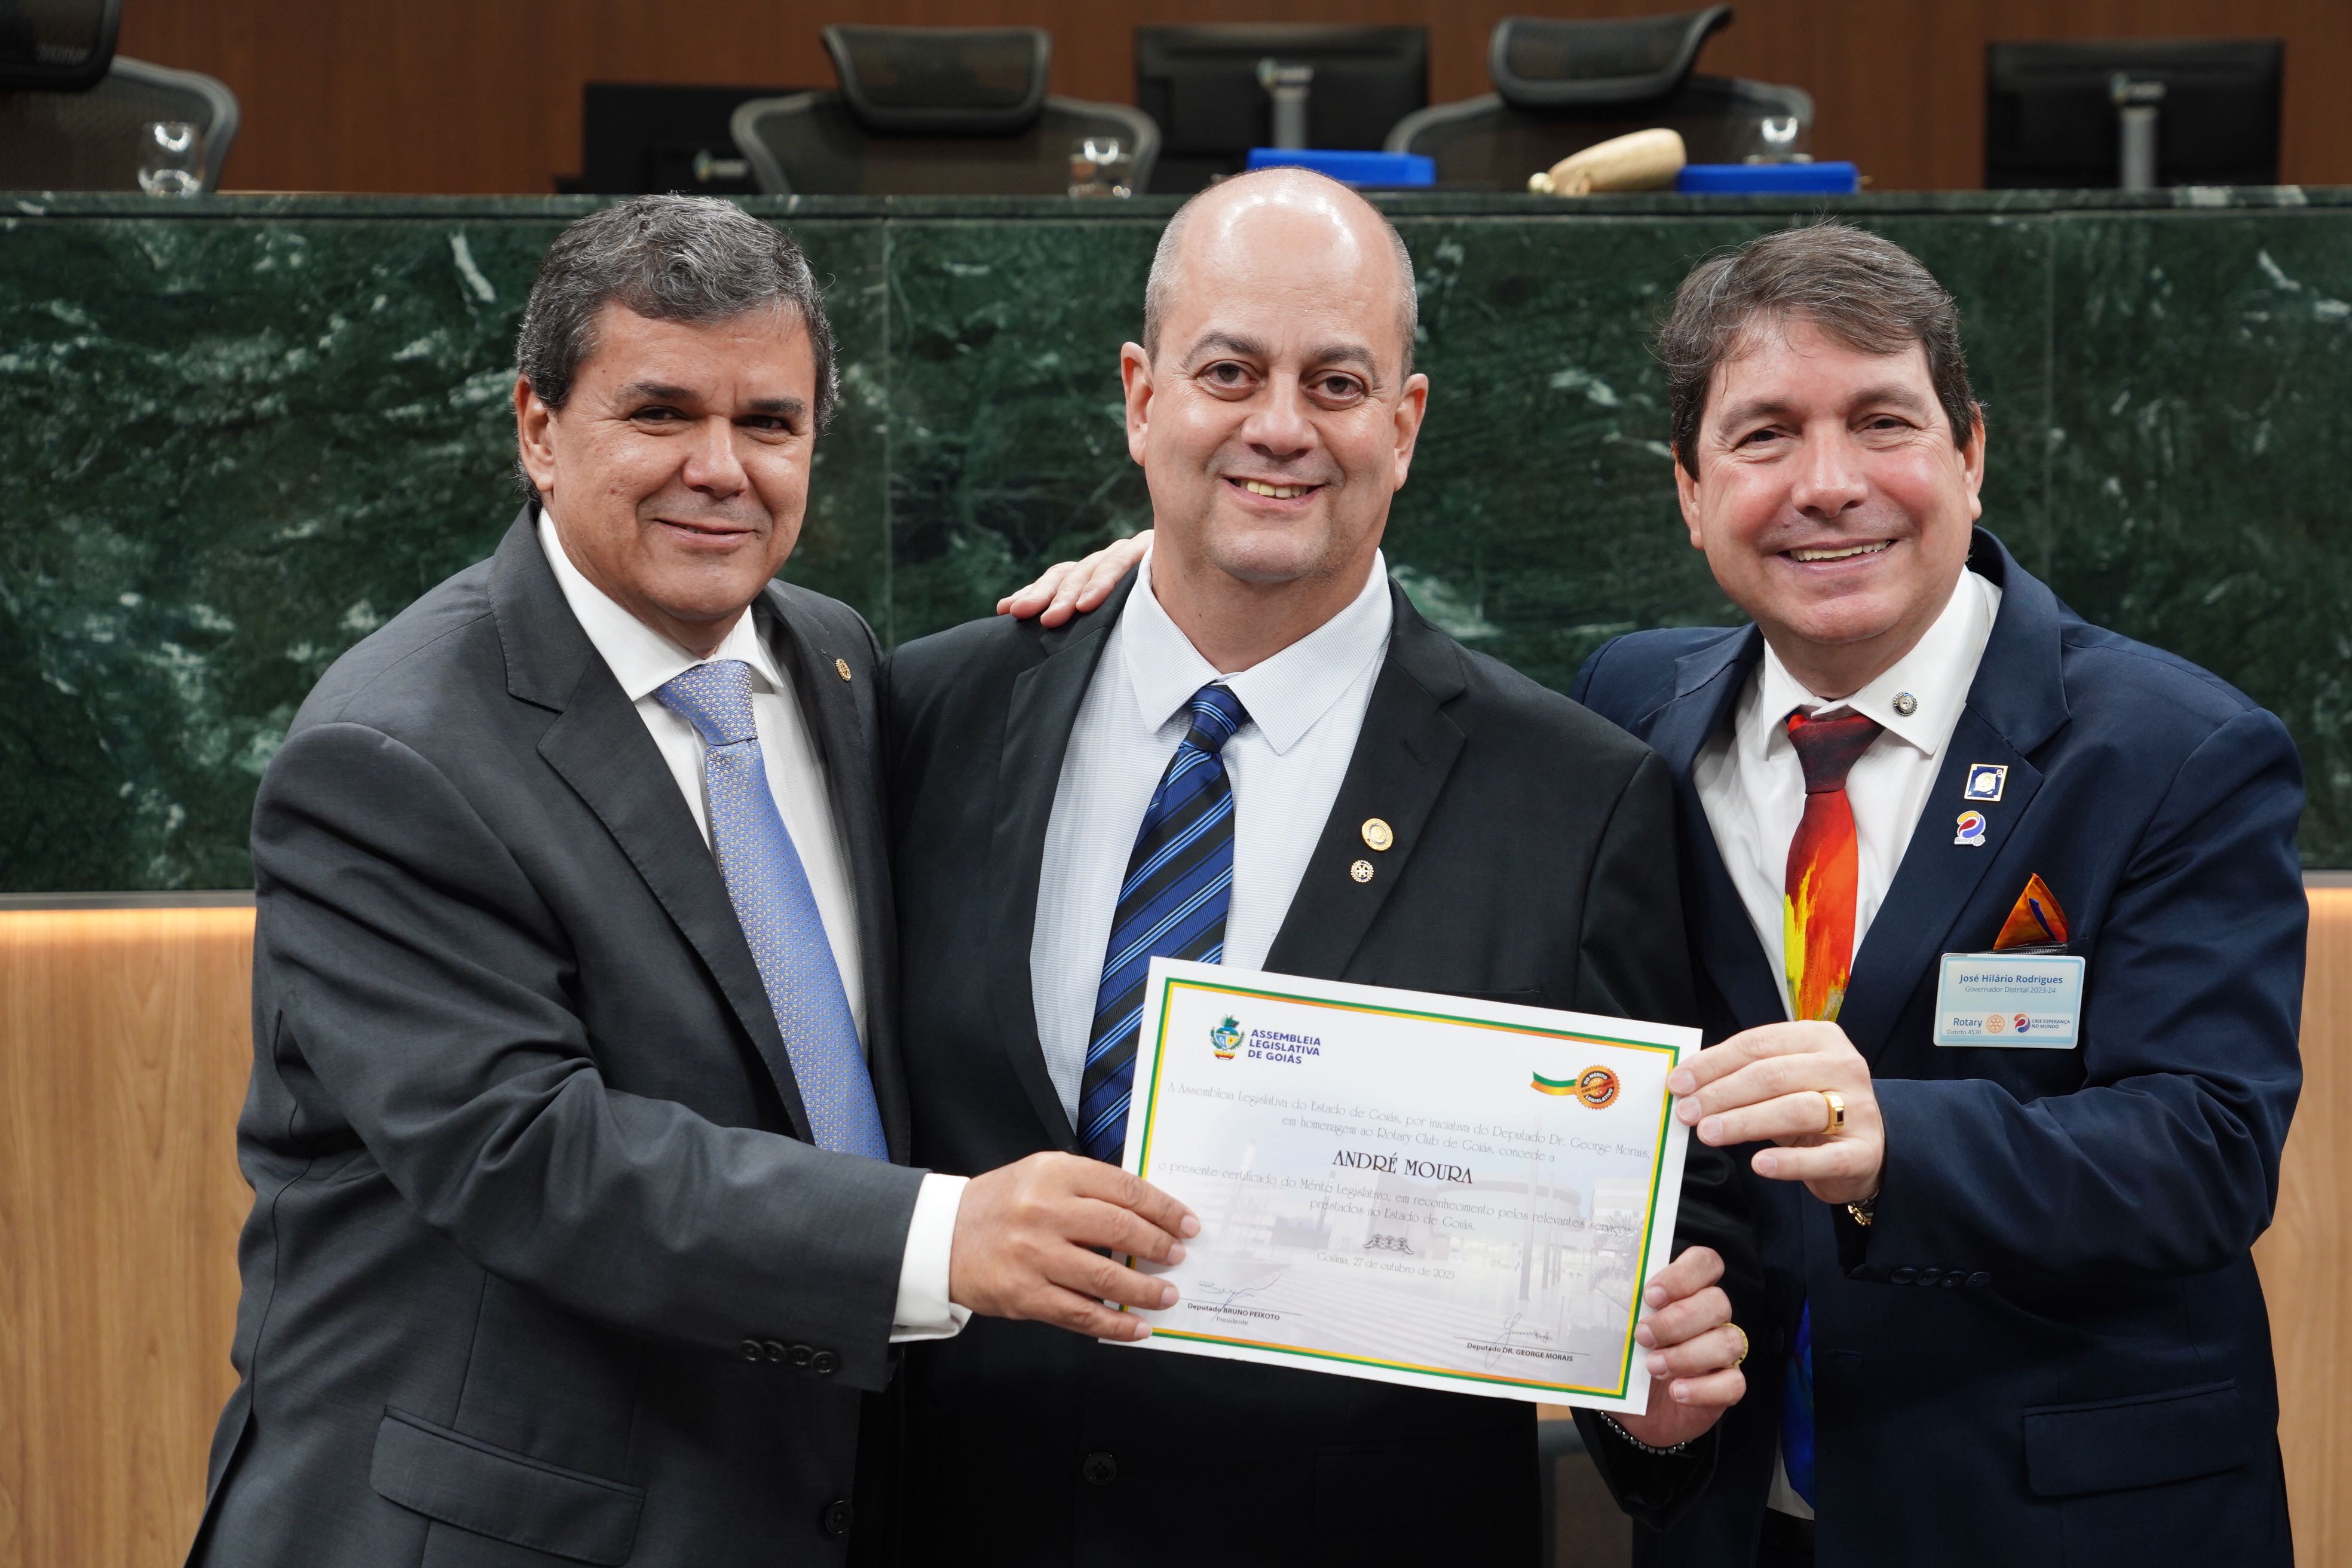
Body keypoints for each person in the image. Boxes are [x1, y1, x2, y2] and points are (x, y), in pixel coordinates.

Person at [186, 195, 1195, 1568]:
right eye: (660, 413)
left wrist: (1157, 608)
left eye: (770, 422)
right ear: (538, 428)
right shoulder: (391, 752)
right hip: (490, 1528)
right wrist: (943, 1233)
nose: (720, 468)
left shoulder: (836, 663)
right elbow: (531, 1155)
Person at [886, 167, 1753, 1567]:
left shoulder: (1577, 798)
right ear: (1141, 397)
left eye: (1336, 384)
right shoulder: (929, 715)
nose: (1281, 426)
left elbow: (1670, 1222)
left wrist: (1656, 1401)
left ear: (1402, 425)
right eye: (1229, 372)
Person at [1566, 223, 2305, 1566]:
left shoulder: (2176, 750)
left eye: (1882, 422)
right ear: (1689, 490)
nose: (1829, 485)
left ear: (1969, 452)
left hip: (2068, 1522)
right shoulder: (1626, 713)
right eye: (1765, 436)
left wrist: (1894, 1139)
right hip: (1737, 1519)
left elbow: (2209, 1149)